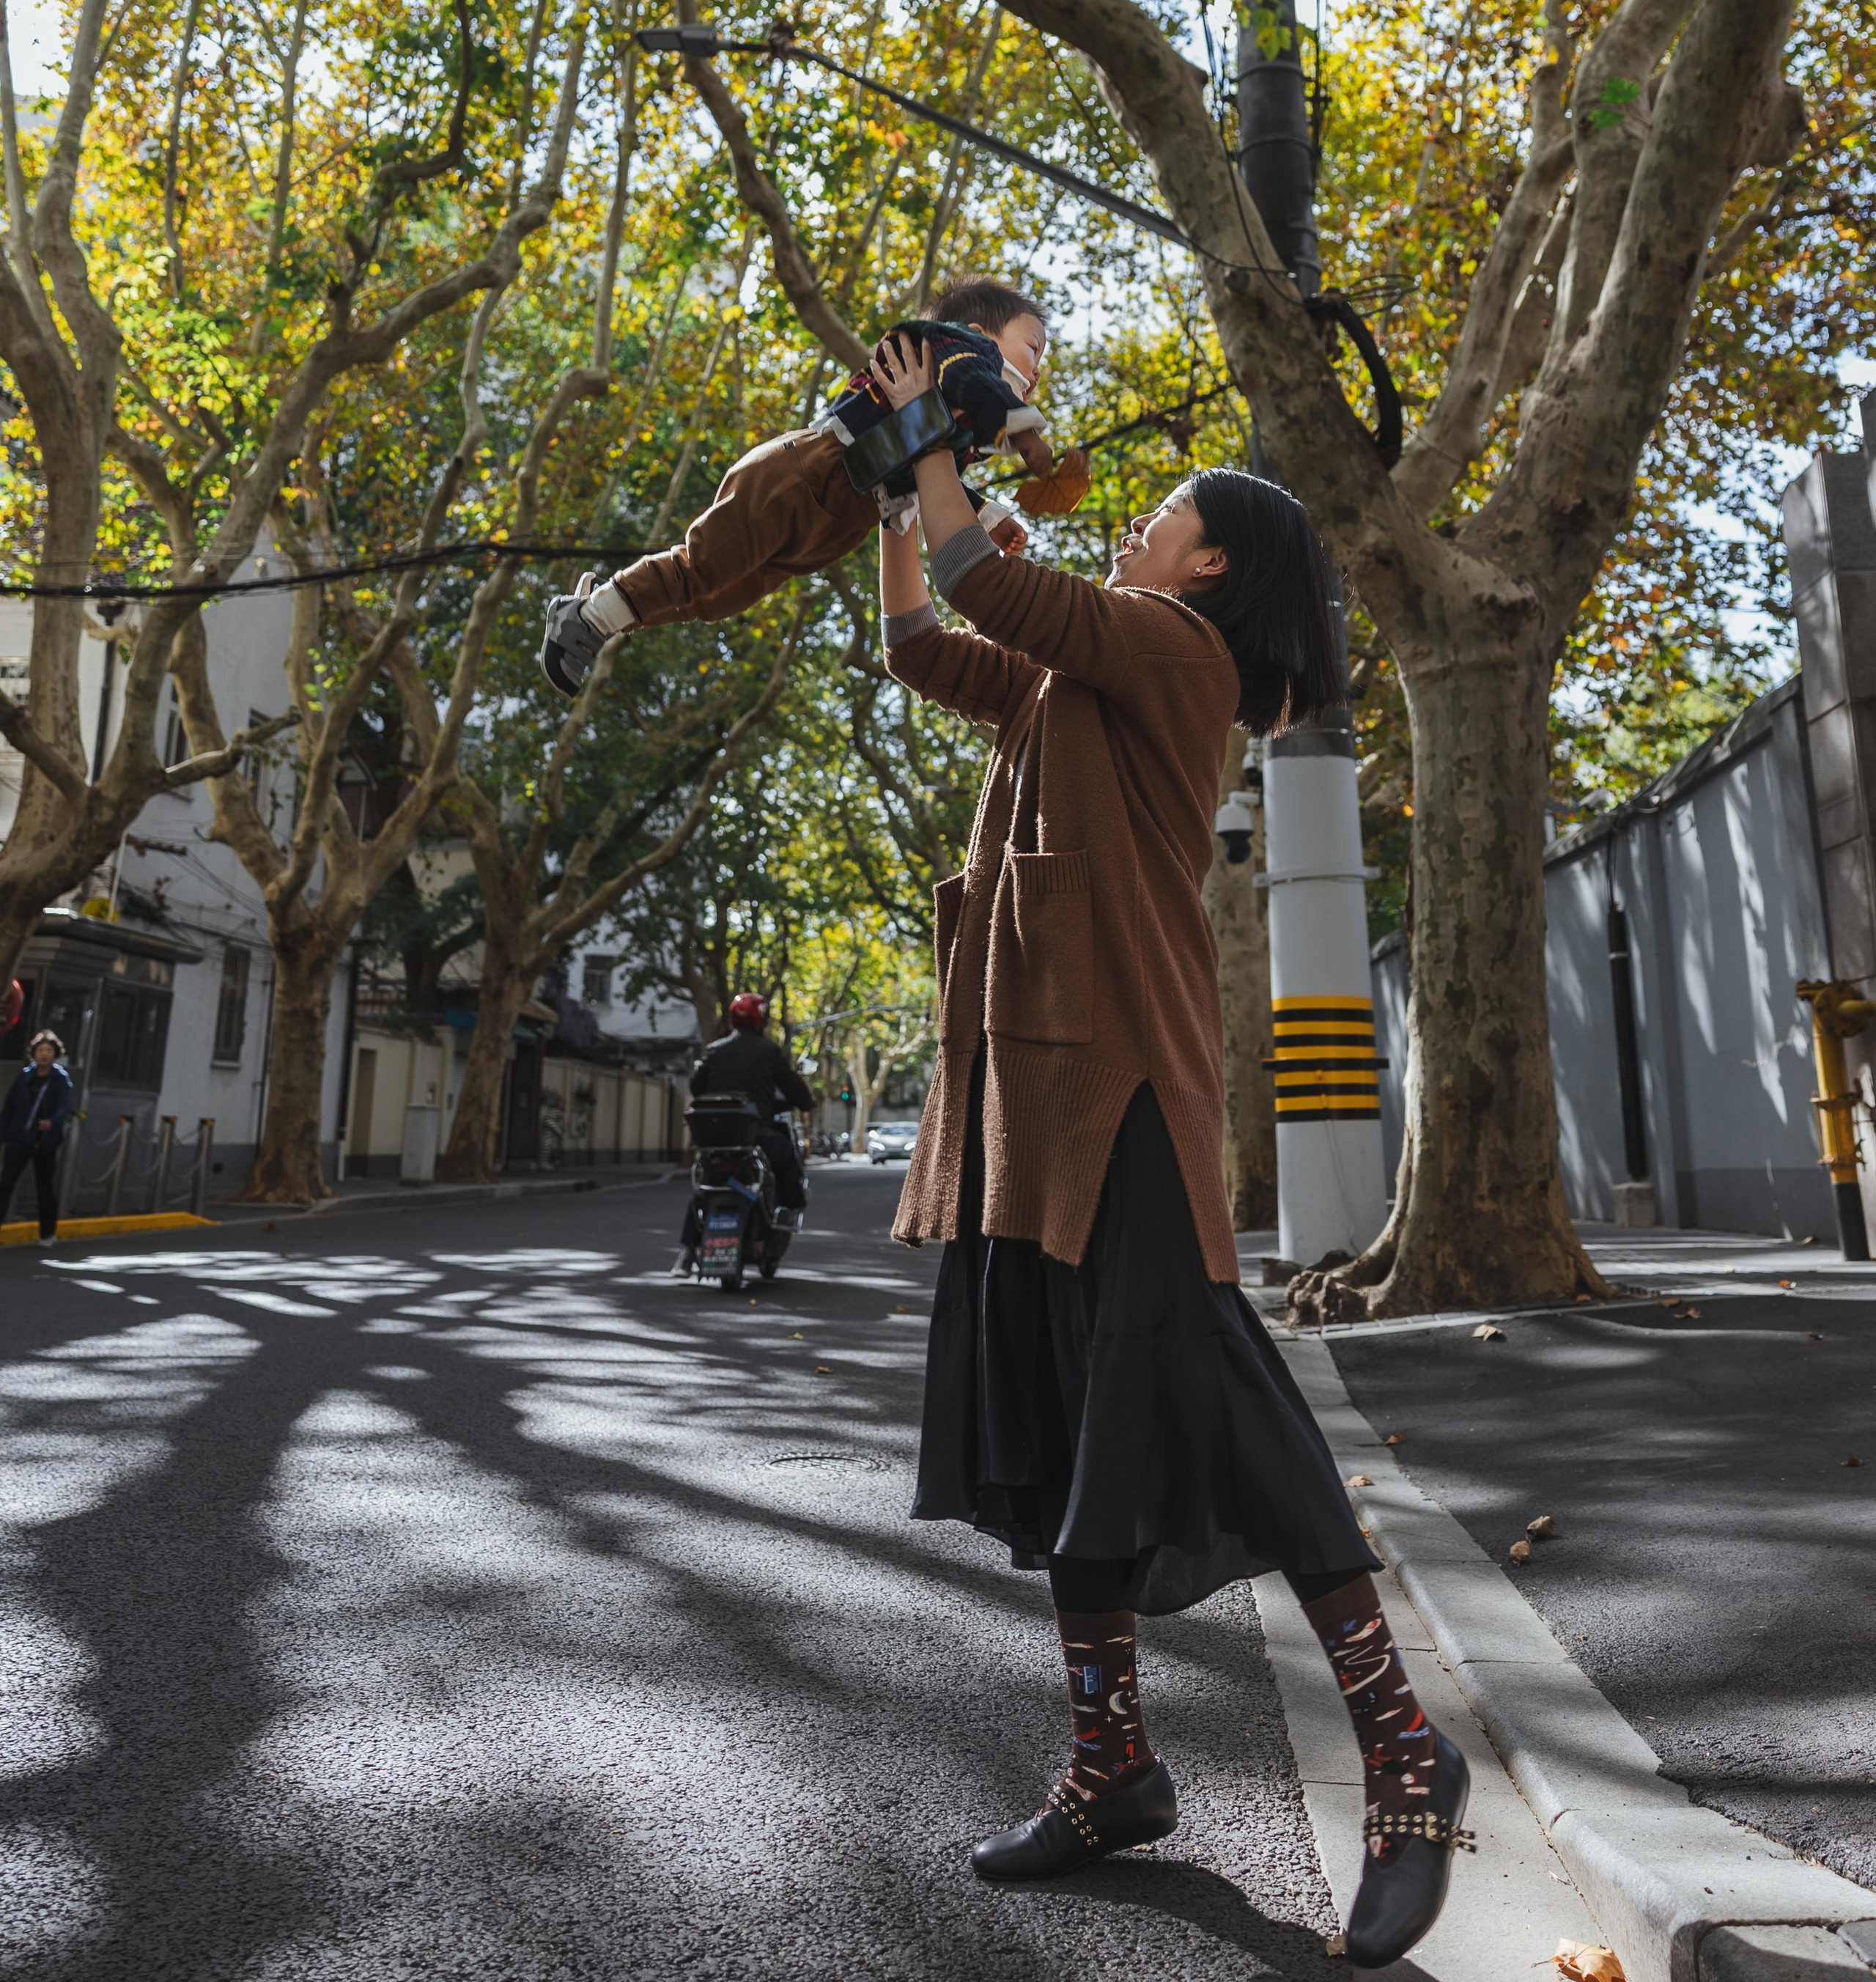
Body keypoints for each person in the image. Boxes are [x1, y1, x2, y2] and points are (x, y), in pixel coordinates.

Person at [871, 330, 1469, 1972]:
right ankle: (1111, 1766)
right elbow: (930, 638)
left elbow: (1001, 584)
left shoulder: (1173, 657)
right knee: (1072, 1421)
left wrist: (935, 435)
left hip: (1122, 1083)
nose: (1130, 521)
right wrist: (885, 481)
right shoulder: (1079, 672)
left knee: (1205, 1381)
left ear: (1211, 563)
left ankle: (1407, 1760)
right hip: (1021, 1097)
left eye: (1157, 513)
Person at [539, 281, 1090, 697]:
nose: (1037, 367)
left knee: (723, 592)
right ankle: (585, 617)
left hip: (843, 513)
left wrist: (988, 514)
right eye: (1034, 347)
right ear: (986, 329)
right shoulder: (959, 349)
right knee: (706, 563)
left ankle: (603, 612)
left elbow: (927, 471)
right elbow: (976, 382)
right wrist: (1031, 441)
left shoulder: (958, 410)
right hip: (813, 472)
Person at [691, 993, 814, 1215]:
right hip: (757, 1138)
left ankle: (689, 1244)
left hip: (715, 1142)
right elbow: (794, 1089)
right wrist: (806, 1102)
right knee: (787, 1153)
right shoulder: (769, 1052)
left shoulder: (715, 1049)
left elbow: (695, 1088)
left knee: (702, 1191)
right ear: (763, 1020)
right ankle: (785, 1213)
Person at [0, 1033, 74, 1248]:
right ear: (33, 1054)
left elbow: (64, 1106)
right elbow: (10, 1106)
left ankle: (47, 1234)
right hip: (20, 1138)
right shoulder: (24, 1076)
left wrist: (52, 1121)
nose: (44, 1055)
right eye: (40, 1050)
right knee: (5, 1185)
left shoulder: (60, 1078)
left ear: (56, 1054)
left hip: (44, 1141)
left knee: (44, 1186)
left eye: (49, 1051)